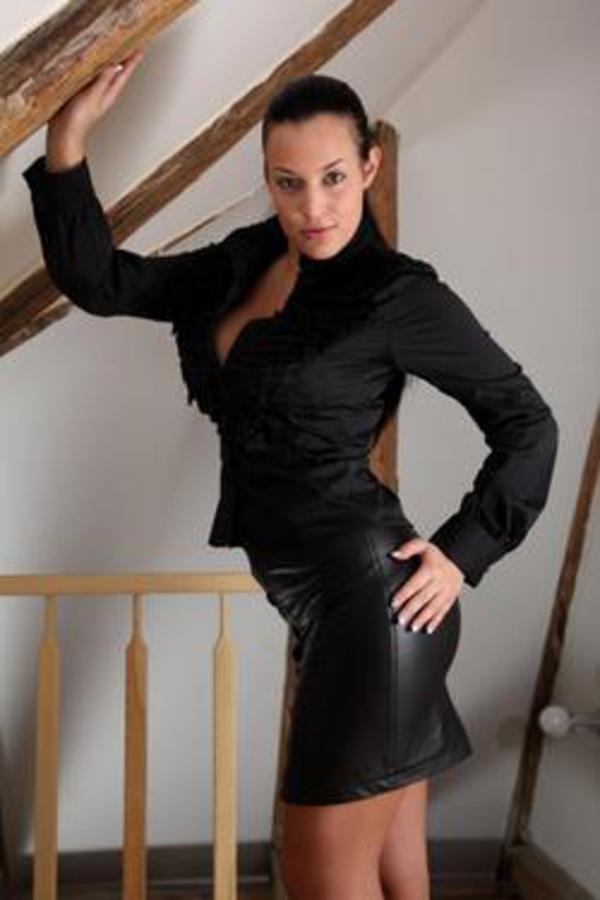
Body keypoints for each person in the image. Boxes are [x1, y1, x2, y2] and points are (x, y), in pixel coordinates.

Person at [22, 50, 559, 899]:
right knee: (399, 881)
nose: (314, 207)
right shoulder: (246, 259)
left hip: (378, 608)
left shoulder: (396, 296)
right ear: (268, 180)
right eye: (289, 183)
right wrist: (68, 140)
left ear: (369, 166)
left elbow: (528, 424)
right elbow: (103, 281)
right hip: (331, 614)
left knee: (319, 880)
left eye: (335, 178)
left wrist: (463, 552)